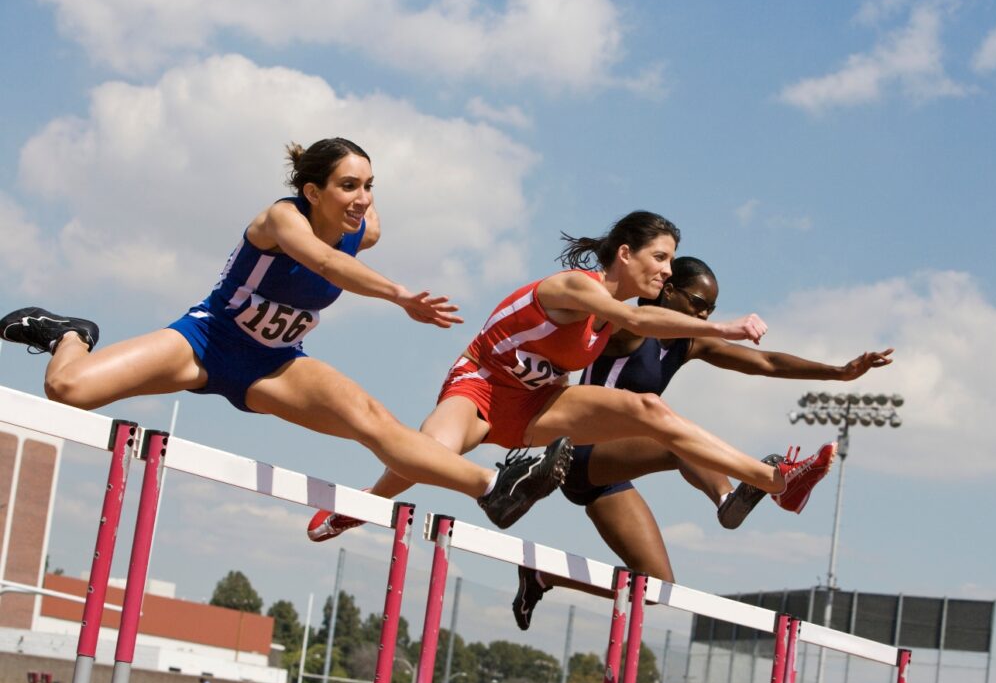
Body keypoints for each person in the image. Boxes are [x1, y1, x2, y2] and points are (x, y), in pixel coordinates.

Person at [0, 138, 570, 530]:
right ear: (312, 190)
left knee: (374, 423)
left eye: (369, 185)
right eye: (348, 185)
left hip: (274, 363)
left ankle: (496, 485)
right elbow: (323, 263)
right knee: (68, 391)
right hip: (206, 341)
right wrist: (400, 296)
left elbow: (343, 248)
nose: (363, 199)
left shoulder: (364, 228)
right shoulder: (280, 218)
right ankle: (70, 333)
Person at [308, 211, 836, 542]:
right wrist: (726, 327)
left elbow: (641, 320)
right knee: (427, 452)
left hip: (541, 403)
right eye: (661, 257)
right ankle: (359, 506)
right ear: (625, 254)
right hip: (482, 386)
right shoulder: (575, 288)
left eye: (671, 263)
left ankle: (776, 482)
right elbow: (639, 319)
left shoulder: (619, 308)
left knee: (649, 410)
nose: (667, 272)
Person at [509, 256, 895, 628]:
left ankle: (543, 577)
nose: (704, 317)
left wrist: (839, 373)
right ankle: (730, 498)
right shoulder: (629, 328)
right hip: (577, 451)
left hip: (606, 475)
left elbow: (766, 363)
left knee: (657, 586)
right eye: (698, 304)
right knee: (670, 431)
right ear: (669, 290)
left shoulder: (688, 343)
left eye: (711, 309)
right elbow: (597, 315)